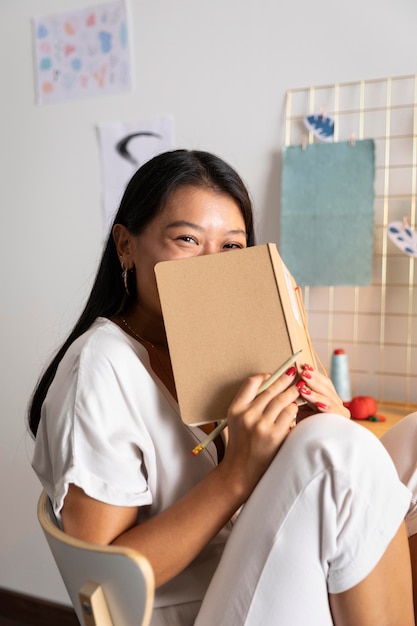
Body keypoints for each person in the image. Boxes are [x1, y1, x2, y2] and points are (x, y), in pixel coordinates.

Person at [29, 149, 415, 625]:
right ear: (126, 245)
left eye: (231, 248)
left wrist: (297, 334)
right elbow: (105, 584)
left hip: (259, 573)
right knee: (338, 450)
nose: (212, 264)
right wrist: (237, 473)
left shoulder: (217, 346)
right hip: (191, 611)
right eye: (187, 239)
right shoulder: (101, 364)